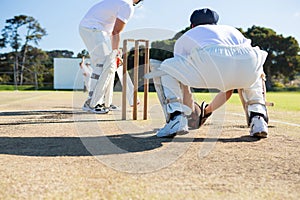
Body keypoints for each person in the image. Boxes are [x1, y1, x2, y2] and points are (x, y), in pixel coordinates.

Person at [147, 8, 269, 138]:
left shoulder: (188, 35)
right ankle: (258, 118)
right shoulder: (231, 31)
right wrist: (206, 111)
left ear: (192, 25)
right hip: (248, 58)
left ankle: (176, 117)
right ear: (215, 24)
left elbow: (182, 82)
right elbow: (228, 90)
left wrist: (190, 111)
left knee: (167, 67)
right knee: (255, 70)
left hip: (209, 58)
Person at [79, 0, 143, 114]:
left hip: (95, 30)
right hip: (92, 29)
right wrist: (115, 52)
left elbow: (113, 32)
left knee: (111, 64)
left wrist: (115, 52)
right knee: (103, 64)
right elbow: (116, 32)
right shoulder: (127, 5)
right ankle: (92, 102)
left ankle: (105, 101)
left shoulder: (121, 2)